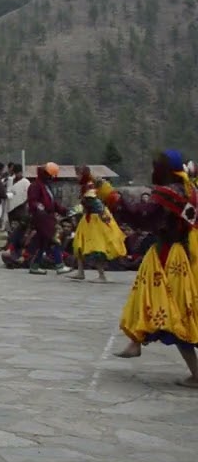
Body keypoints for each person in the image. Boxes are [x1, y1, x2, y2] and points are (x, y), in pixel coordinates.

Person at [101, 150, 198, 386]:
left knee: (174, 313)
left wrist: (112, 198)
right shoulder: (189, 191)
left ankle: (196, 374)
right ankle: (136, 342)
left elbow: (142, 217)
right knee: (147, 300)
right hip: (181, 254)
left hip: (170, 257)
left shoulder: (168, 195)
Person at [70, 165, 126, 282]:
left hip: (96, 219)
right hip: (88, 218)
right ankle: (80, 271)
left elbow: (95, 202)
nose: (76, 177)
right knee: (79, 243)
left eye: (78, 174)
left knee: (97, 247)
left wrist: (102, 215)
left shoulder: (89, 185)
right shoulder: (86, 185)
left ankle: (102, 275)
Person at [27, 162, 71, 275]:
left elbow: (53, 203)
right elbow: (33, 202)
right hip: (42, 219)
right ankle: (59, 265)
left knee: (42, 243)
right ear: (45, 174)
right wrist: (40, 210)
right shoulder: (35, 186)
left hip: (47, 217)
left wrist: (63, 210)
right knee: (54, 239)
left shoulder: (46, 186)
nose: (52, 178)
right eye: (50, 175)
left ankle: (35, 266)